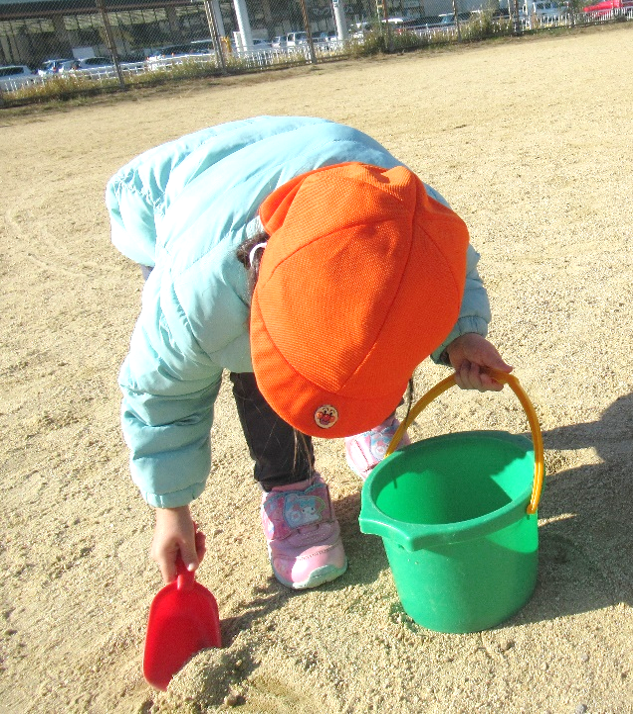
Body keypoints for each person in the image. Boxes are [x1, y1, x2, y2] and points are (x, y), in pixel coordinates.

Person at [107, 116, 512, 590]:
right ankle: (290, 488)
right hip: (168, 194)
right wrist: (171, 507)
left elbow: (444, 272)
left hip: (316, 158)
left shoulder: (408, 213)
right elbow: (161, 395)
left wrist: (461, 334)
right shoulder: (195, 292)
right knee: (252, 364)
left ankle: (368, 419)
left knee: (377, 317)